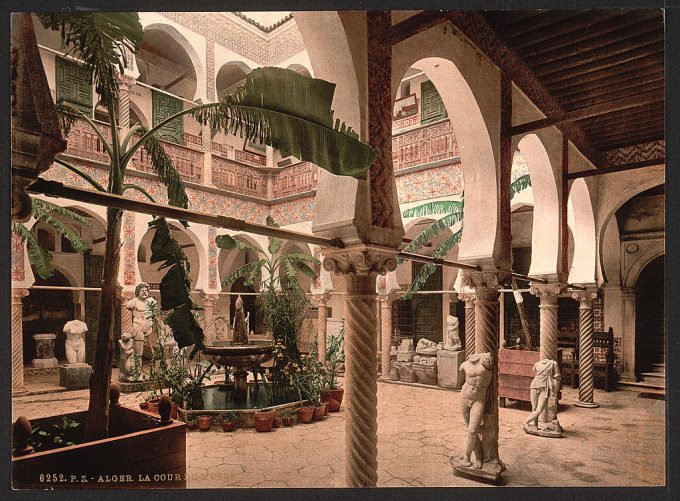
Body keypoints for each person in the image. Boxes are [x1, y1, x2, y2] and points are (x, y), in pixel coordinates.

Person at [459, 353, 494, 469]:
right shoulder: (465, 364)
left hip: (479, 400)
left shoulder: (488, 363)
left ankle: (467, 455)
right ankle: (478, 456)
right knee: (469, 429)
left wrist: (486, 357)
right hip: (465, 397)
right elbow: (461, 370)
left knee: (473, 430)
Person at [523, 359, 561, 430]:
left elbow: (557, 377)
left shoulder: (553, 363)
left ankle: (526, 421)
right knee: (534, 408)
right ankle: (535, 425)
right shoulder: (537, 364)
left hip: (544, 387)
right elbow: (536, 375)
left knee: (539, 409)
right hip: (534, 386)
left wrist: (555, 389)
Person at [126, 282, 157, 356]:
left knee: (154, 347)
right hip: (138, 326)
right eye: (142, 290)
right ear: (138, 292)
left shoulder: (151, 301)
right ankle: (138, 364)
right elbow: (128, 306)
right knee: (139, 350)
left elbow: (155, 313)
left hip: (149, 326)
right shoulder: (134, 301)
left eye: (146, 290)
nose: (144, 292)